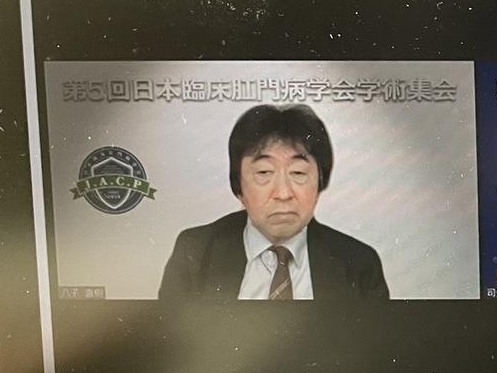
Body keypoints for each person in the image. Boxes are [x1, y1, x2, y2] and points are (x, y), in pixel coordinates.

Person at [158, 104, 389, 301]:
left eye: (298, 173)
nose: (283, 193)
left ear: (320, 182)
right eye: (264, 172)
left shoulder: (358, 263)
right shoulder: (196, 252)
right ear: (239, 186)